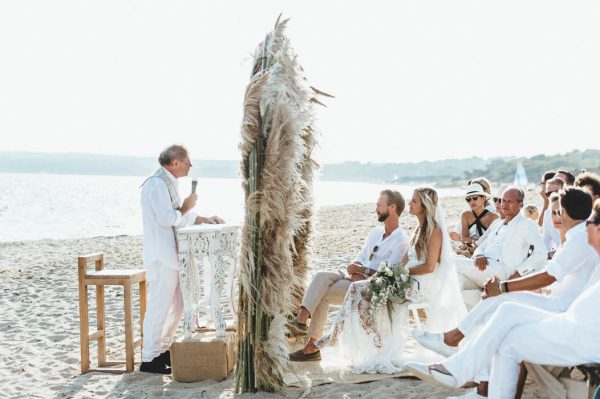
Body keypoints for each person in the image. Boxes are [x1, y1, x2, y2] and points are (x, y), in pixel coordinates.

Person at [410, 187, 598, 398]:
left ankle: (459, 359)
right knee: (501, 309)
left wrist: (504, 286)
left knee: (503, 304)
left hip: (561, 307)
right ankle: (465, 366)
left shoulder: (579, 239)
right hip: (553, 300)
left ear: (563, 212)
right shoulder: (576, 237)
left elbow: (548, 275)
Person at [312, 188, 466, 373]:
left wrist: (401, 272)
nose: (409, 204)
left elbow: (430, 267)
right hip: (405, 279)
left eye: (414, 201)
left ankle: (335, 336)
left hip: (421, 285)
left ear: (424, 206)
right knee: (357, 290)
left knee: (358, 289)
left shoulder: (435, 231)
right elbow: (405, 261)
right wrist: (389, 273)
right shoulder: (418, 229)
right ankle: (361, 341)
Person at [287, 190, 410, 361]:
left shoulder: (401, 240)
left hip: (370, 287)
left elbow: (389, 274)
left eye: (379, 206)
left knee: (322, 295)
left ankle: (311, 346)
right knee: (322, 275)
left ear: (392, 207)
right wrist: (355, 268)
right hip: (354, 277)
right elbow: (360, 256)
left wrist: (364, 272)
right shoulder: (375, 232)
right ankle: (301, 322)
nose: (376, 209)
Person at [139, 145, 224, 374]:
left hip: (172, 255)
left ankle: (162, 350)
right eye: (187, 161)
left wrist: (203, 218)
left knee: (178, 304)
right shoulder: (156, 184)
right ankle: (149, 358)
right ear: (174, 163)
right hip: (161, 255)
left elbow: (179, 215)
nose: (190, 165)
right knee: (159, 306)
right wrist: (186, 206)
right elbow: (168, 218)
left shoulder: (169, 183)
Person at [454, 187, 546, 290]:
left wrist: (519, 273)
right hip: (484, 267)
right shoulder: (498, 224)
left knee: (452, 261)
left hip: (502, 270)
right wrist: (479, 255)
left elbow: (541, 253)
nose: (505, 205)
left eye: (510, 202)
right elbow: (481, 246)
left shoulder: (526, 224)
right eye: (503, 201)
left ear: (520, 204)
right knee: (457, 282)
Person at [455, 184, 499, 256]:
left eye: (475, 197)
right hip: (470, 248)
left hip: (488, 250)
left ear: (483, 198)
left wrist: (473, 241)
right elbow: (464, 239)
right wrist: (476, 242)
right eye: (468, 199)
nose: (472, 201)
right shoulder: (465, 215)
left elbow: (493, 240)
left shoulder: (493, 217)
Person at [541, 177, 565, 255]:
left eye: (556, 191)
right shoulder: (547, 214)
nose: (552, 195)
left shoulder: (573, 210)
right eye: (549, 193)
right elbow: (546, 240)